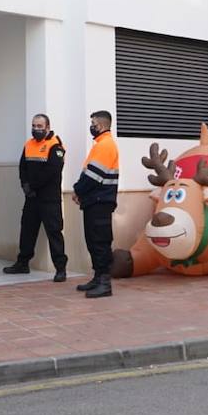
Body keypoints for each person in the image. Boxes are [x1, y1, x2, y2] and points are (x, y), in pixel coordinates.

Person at [3, 114, 68, 282]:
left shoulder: (55, 146)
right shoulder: (29, 144)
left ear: (47, 127)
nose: (36, 129)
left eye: (40, 126)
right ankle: (22, 263)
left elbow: (52, 171)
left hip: (49, 199)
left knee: (54, 232)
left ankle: (60, 268)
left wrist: (33, 186)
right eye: (34, 125)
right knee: (27, 230)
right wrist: (24, 185)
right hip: (31, 198)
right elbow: (22, 166)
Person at [72, 110, 118, 299]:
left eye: (92, 123)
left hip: (100, 201)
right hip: (95, 201)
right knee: (93, 241)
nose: (91, 126)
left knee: (100, 242)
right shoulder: (100, 144)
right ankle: (98, 278)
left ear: (99, 125)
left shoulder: (105, 145)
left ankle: (105, 283)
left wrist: (77, 190)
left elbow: (92, 176)